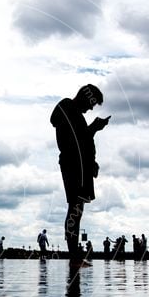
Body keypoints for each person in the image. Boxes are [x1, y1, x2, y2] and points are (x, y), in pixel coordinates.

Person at [51, 84, 110, 267]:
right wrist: (95, 127)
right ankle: (74, 256)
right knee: (75, 209)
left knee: (77, 209)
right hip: (73, 166)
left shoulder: (74, 114)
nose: (91, 108)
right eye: (92, 104)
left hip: (81, 167)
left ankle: (75, 256)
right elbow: (75, 140)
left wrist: (92, 162)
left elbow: (82, 141)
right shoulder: (67, 108)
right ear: (86, 97)